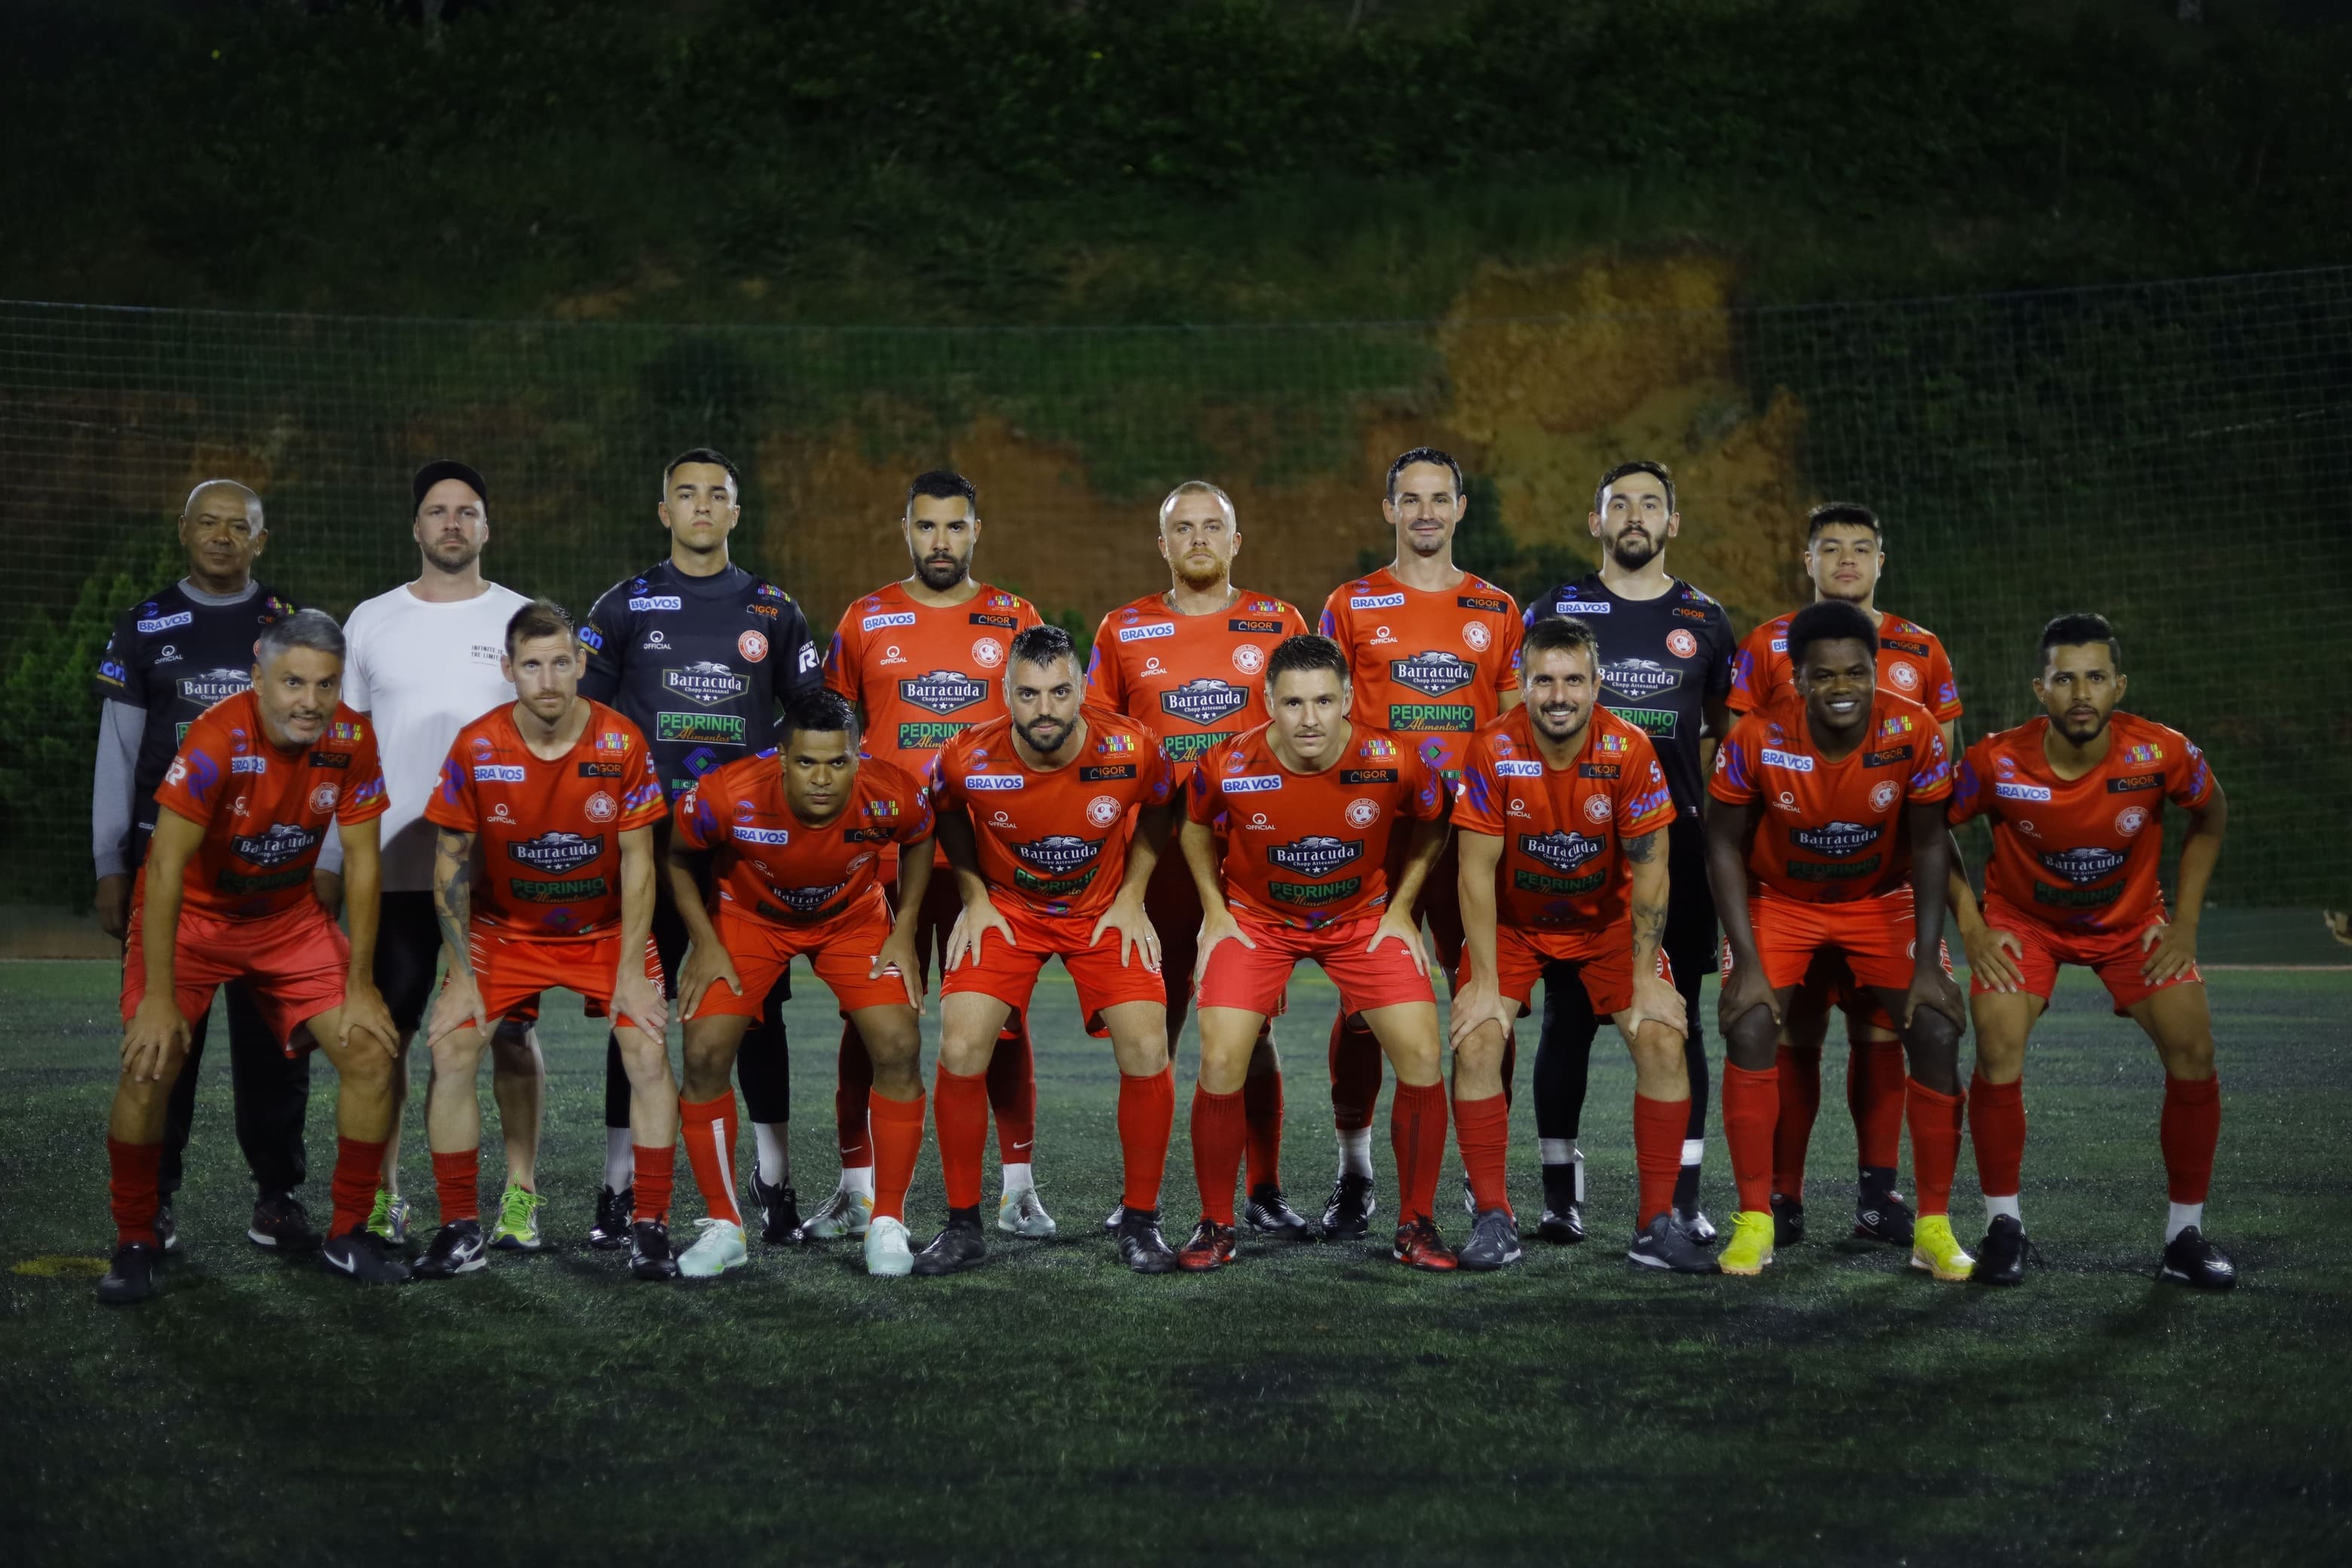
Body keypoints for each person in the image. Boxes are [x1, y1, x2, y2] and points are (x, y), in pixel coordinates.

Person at [96, 610, 401, 1303]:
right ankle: (137, 1235)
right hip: (194, 919)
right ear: (258, 678)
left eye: (325, 685)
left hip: (286, 917)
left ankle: (348, 1231)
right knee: (151, 1063)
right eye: (293, 682)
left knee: (369, 1048)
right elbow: (165, 869)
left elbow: (361, 865)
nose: (310, 702)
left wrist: (361, 983)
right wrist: (159, 997)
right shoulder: (214, 739)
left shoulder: (351, 736)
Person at [1946, 614, 2234, 1288]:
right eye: (2065, 679)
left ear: (2119, 685)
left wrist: (2185, 926)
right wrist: (1976, 927)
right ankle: (2003, 1226)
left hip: (2133, 926)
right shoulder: (1993, 759)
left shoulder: (2160, 752)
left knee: (2194, 1051)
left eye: (2096, 678)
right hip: (2027, 924)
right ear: (2039, 690)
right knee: (1995, 1045)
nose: (2082, 693)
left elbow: (2211, 816)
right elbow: (1926, 830)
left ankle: (2184, 1237)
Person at [578, 448, 819, 1248]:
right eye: (687, 494)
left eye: (718, 494)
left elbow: (815, 714)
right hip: (647, 847)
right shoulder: (625, 606)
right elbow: (587, 719)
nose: (703, 506)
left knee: (756, 1016)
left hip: (742, 851)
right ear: (665, 512)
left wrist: (772, 784)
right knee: (640, 1012)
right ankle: (618, 1188)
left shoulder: (773, 609)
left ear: (736, 512)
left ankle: (775, 1183)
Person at [1704, 599, 1972, 1282]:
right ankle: (1755, 1220)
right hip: (1782, 902)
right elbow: (1723, 847)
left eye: (1857, 672)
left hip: (1879, 903)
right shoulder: (1756, 738)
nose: (1842, 687)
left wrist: (1931, 962)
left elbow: (1931, 842)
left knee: (1938, 1028)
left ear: (1877, 672)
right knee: (1751, 1024)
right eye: (1824, 676)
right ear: (1797, 680)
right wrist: (1746, 963)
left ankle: (1934, 1227)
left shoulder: (1913, 732)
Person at [313, 461, 542, 1251]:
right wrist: (334, 865)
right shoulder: (370, 620)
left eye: (467, 512)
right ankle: (384, 1198)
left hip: (501, 871)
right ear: (415, 528)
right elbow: (342, 752)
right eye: (437, 511)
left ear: (487, 527)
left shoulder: (523, 620)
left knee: (508, 1035)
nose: (452, 523)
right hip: (398, 866)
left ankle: (520, 1194)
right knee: (393, 1037)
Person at [817, 470, 1051, 1241]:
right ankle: (856, 1189)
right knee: (872, 1020)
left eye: (955, 526)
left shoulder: (1014, 617)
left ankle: (1018, 1188)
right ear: (906, 531)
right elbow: (834, 739)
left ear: (976, 530)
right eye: (927, 527)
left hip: (987, 862)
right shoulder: (866, 618)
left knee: (1002, 1021)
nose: (941, 541)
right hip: (883, 862)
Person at [414, 600, 677, 1280]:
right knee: (451, 1045)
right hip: (503, 933)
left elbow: (639, 862)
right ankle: (460, 1227)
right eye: (532, 665)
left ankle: (649, 1225)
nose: (549, 679)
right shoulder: (477, 746)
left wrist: (631, 972)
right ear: (508, 670)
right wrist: (462, 976)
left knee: (646, 1050)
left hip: (605, 930)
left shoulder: (621, 742)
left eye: (562, 662)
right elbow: (448, 865)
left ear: (581, 663)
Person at [1178, 633, 1457, 1270]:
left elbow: (1435, 818)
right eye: (1294, 702)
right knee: (1221, 1055)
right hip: (1257, 921)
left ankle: (1417, 1225)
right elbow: (1194, 824)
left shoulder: (1392, 759)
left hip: (1361, 921)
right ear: (1268, 702)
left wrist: (1402, 908)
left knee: (1420, 1050)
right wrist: (1215, 913)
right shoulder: (1227, 762)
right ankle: (1215, 1225)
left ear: (1348, 699)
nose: (1310, 719)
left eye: (1325, 701)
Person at [1450, 616, 1717, 1273]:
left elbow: (1653, 869)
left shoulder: (1628, 750)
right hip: (1513, 924)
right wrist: (1484, 982)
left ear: (1597, 685)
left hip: (1607, 926)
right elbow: (1474, 871)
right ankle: (1493, 1216)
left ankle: (1655, 1224)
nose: (1559, 695)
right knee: (1479, 1037)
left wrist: (1650, 976)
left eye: (1574, 680)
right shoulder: (1491, 747)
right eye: (1544, 681)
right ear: (1523, 684)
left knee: (1661, 1034)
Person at [90, 479, 315, 1254]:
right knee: (163, 1047)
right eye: (208, 523)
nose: (222, 537)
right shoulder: (146, 624)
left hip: (269, 875)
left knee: (277, 1047)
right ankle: (152, 1202)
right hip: (170, 871)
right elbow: (117, 754)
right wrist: (109, 862)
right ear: (184, 529)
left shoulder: (291, 625)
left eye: (239, 527)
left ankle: (279, 1195)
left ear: (263, 539)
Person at [1086, 479, 1315, 1239]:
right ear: (1162, 545)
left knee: (1252, 1031)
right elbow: (1100, 744)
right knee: (1151, 1026)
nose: (1198, 540)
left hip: (1245, 861)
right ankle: (1140, 1197)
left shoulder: (1278, 621)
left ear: (1236, 540)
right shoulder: (1122, 629)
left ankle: (1265, 1188)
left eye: (1212, 526)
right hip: (1151, 861)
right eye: (1182, 529)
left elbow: (1305, 735)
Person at [916, 625, 1182, 1276]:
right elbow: (945, 808)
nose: (1046, 710)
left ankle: (1142, 1223)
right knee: (959, 1043)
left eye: (1060, 692)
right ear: (1005, 692)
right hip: (1010, 913)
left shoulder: (1131, 746)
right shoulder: (965, 755)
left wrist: (1133, 896)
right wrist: (976, 896)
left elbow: (1160, 807)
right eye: (1029, 694)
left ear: (1081, 689)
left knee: (1148, 1046)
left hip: (1100, 912)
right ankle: (962, 1225)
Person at [1523, 459, 1739, 1245]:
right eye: (1621, 504)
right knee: (1568, 1014)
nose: (1636, 516)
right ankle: (1560, 1193)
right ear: (1596, 522)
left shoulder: (1707, 618)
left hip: (1674, 848)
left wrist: (1710, 822)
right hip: (1571, 845)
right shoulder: (1556, 607)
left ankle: (1683, 1195)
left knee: (1676, 1019)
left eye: (1652, 504)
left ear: (1673, 523)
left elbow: (1723, 731)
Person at [1315, 447, 1522, 1240]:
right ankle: (1355, 1170)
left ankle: (1480, 1176)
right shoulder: (1350, 603)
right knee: (1364, 1009)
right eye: (1412, 499)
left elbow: (1511, 728)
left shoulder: (1498, 608)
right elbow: (1323, 716)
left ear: (1461, 509)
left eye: (1440, 498)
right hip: (1381, 836)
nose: (1426, 512)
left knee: (1483, 1003)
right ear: (1389, 508)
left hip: (1474, 834)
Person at [665, 691, 936, 1278]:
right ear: (780, 757)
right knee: (704, 1051)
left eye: (837, 762)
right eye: (807, 762)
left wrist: (905, 927)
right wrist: (705, 940)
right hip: (747, 920)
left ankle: (887, 1219)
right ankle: (724, 1225)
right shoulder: (726, 795)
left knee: (898, 1045)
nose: (822, 778)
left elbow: (919, 836)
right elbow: (678, 855)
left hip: (853, 921)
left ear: (858, 757)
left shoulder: (894, 790)